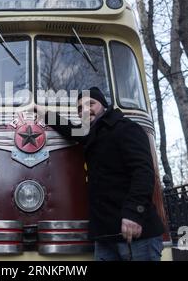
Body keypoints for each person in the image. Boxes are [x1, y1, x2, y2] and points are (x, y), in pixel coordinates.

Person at [37, 87, 165, 261]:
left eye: (91, 103)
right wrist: (41, 111)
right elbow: (68, 128)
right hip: (106, 236)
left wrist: (134, 213)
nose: (85, 110)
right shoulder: (91, 133)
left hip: (135, 234)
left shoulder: (126, 128)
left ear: (104, 106)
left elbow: (143, 172)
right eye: (80, 108)